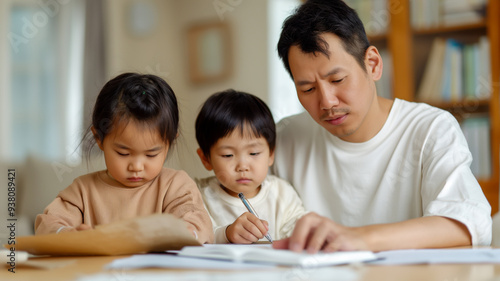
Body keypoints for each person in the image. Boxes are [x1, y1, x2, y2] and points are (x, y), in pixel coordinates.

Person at [271, 0, 492, 253]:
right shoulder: (284, 138)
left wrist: (362, 239)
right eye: (307, 89)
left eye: (338, 79)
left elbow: (470, 224)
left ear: (372, 64)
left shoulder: (429, 129)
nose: (327, 102)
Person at [35, 72, 213, 244]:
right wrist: (67, 235)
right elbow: (48, 224)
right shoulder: (82, 191)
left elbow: (198, 223)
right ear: (99, 138)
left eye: (151, 154)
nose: (136, 166)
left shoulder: (176, 186)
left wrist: (187, 232)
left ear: (169, 143)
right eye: (123, 153)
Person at [195, 89, 308, 244]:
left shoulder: (282, 194)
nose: (242, 166)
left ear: (270, 154)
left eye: (254, 153)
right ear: (205, 159)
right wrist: (226, 234)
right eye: (228, 155)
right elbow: (194, 236)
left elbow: (299, 230)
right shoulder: (199, 197)